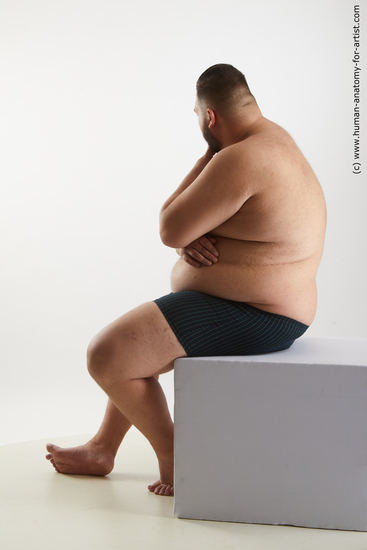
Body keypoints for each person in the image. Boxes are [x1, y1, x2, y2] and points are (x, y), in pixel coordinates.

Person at [45, 64, 326, 497]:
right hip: (269, 309)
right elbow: (194, 232)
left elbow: (169, 228)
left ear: (209, 117)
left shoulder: (240, 156)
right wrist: (186, 243)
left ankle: (177, 458)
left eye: (197, 116)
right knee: (135, 346)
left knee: (107, 355)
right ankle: (103, 448)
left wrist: (205, 159)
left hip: (256, 313)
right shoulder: (275, 140)